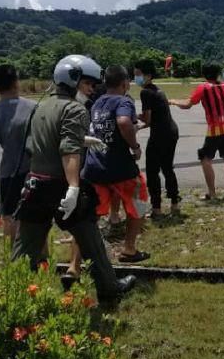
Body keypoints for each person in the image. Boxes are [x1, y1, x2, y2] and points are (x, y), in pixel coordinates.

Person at [13, 54, 135, 300]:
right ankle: (110, 289)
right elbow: (68, 149)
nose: (92, 90)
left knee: (25, 246)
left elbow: (40, 142)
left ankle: (11, 294)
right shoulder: (75, 109)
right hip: (61, 186)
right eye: (89, 84)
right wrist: (73, 187)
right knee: (91, 240)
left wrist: (86, 139)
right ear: (73, 80)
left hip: (35, 184)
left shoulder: (41, 107)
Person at [83, 65, 150, 263]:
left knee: (92, 212)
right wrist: (135, 146)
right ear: (124, 83)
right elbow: (122, 122)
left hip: (95, 166)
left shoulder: (97, 103)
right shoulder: (124, 101)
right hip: (120, 166)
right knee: (138, 202)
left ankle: (90, 252)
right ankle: (129, 249)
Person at [169, 63, 224, 200]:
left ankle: (212, 193)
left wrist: (173, 101)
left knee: (205, 157)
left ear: (204, 74)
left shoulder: (203, 87)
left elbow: (187, 105)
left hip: (215, 128)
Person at [0, 64, 36, 240]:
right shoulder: (34, 107)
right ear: (16, 83)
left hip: (8, 171)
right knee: (37, 216)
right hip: (34, 170)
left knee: (9, 217)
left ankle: (12, 257)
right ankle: (42, 257)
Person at [135, 59, 181, 219]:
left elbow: (148, 120)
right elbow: (155, 117)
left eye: (138, 74)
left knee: (152, 171)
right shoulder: (158, 90)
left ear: (147, 75)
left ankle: (156, 208)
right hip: (171, 131)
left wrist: (136, 123)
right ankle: (175, 203)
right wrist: (140, 120)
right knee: (168, 168)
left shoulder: (145, 92)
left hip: (160, 134)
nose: (136, 78)